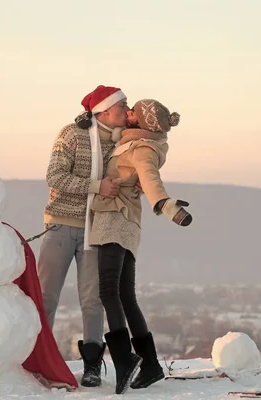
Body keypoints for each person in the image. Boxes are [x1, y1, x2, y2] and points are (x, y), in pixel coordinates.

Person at [89, 99, 192, 394]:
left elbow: (150, 177)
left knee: (109, 291)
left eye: (133, 111)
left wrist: (166, 204)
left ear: (142, 123)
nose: (128, 113)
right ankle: (151, 364)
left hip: (116, 219)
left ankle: (124, 359)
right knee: (125, 296)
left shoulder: (142, 148)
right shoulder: (131, 143)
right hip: (125, 221)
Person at [37, 85, 130, 387]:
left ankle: (92, 366)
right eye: (121, 106)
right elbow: (55, 176)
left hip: (97, 229)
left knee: (93, 300)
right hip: (61, 225)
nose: (126, 110)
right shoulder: (71, 135)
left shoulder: (124, 142)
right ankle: (39, 360)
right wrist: (97, 186)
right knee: (46, 296)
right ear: (104, 110)